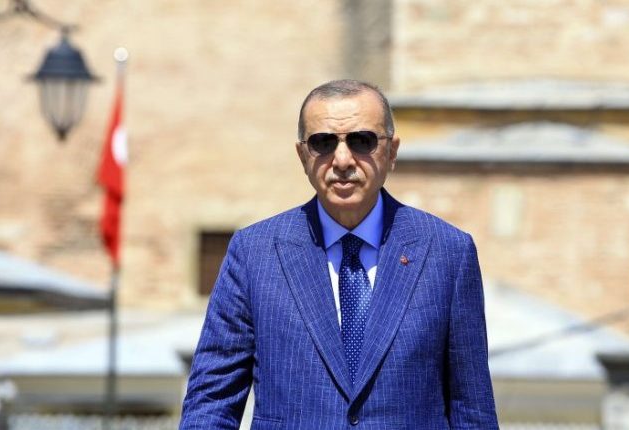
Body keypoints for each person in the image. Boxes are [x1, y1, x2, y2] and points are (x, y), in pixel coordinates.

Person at [180, 79, 498, 429]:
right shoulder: (255, 254)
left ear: (391, 151)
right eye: (323, 143)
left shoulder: (447, 253)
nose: (342, 160)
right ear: (303, 156)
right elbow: (211, 403)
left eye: (362, 141)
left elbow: (472, 410)